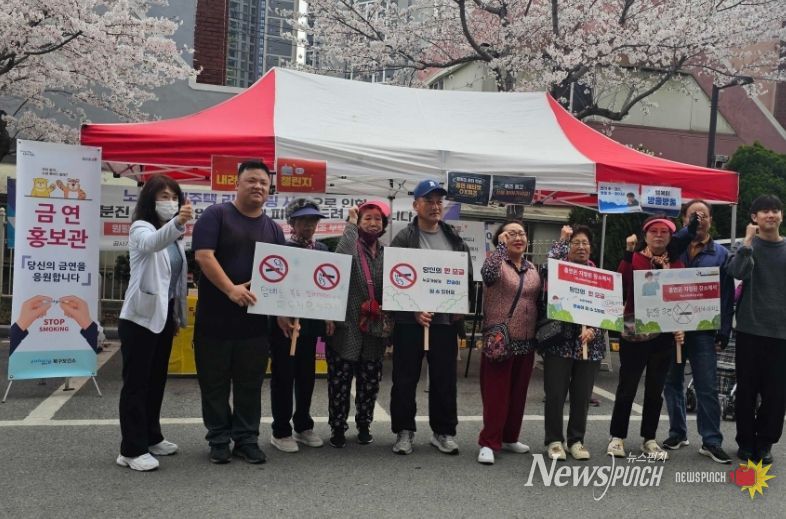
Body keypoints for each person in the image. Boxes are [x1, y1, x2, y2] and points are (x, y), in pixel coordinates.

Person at [192, 160, 286, 465]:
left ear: (269, 189)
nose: (258, 186)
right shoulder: (216, 215)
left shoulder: (272, 227)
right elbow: (204, 256)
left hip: (256, 326)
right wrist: (231, 289)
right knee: (214, 384)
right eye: (251, 180)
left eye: (263, 182)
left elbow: (282, 275)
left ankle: (246, 438)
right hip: (214, 321)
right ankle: (218, 438)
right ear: (236, 183)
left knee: (250, 384)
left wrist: (283, 313)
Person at [389, 179, 472, 455]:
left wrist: (461, 305)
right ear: (416, 205)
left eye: (439, 201)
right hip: (409, 322)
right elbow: (394, 280)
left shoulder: (453, 238)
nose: (436, 206)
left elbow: (465, 276)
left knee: (444, 378)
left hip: (445, 322)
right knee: (404, 377)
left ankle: (443, 431)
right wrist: (413, 308)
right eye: (429, 201)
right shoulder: (404, 237)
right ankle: (404, 431)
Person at [116, 175, 192, 471]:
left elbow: (173, 282)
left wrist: (175, 316)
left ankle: (151, 435)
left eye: (173, 195)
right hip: (139, 318)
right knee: (135, 384)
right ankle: (131, 450)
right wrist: (177, 224)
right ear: (150, 199)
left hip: (162, 316)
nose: (169, 201)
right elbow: (150, 245)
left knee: (156, 380)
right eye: (162, 195)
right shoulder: (141, 227)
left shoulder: (175, 235)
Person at [608, 215, 691, 460]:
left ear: (670, 236)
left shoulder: (677, 265)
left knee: (655, 389)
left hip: (664, 334)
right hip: (634, 330)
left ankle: (649, 438)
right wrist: (627, 253)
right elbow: (620, 283)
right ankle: (617, 436)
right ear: (646, 236)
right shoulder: (634, 258)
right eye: (653, 231)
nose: (658, 235)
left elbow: (680, 299)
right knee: (627, 387)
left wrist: (681, 325)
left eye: (664, 232)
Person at [662, 200, 734, 464]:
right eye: (693, 215)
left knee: (706, 386)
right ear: (684, 219)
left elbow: (727, 297)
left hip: (703, 331)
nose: (699, 219)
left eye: (703, 216)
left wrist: (723, 330)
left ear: (711, 221)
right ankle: (677, 432)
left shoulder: (721, 254)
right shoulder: (676, 248)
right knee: (672, 383)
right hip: (673, 328)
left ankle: (711, 440)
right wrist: (687, 231)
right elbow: (668, 248)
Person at [327, 200, 392, 448]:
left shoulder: (387, 253)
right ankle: (337, 427)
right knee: (340, 382)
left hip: (374, 329)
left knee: (370, 382)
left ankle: (364, 424)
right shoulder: (348, 244)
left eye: (378, 219)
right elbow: (339, 264)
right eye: (367, 218)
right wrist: (350, 226)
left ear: (384, 224)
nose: (373, 223)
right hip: (347, 326)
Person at [269, 198, 331, 453]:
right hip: (284, 323)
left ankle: (303, 425)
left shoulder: (323, 250)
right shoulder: (280, 247)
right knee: (283, 375)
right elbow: (271, 284)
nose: (309, 225)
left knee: (306, 375)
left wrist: (329, 314)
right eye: (304, 220)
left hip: (311, 321)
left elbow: (329, 287)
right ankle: (280, 430)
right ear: (292, 222)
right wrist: (278, 313)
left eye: (313, 219)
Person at [728, 194, 786, 465]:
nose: (770, 215)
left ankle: (765, 443)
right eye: (764, 211)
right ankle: (746, 442)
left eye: (775, 210)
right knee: (747, 391)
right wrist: (747, 243)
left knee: (776, 394)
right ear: (754, 218)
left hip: (781, 333)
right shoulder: (748, 247)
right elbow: (736, 272)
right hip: (750, 330)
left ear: (781, 216)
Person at [476, 220, 540, 465]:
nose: (518, 237)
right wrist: (500, 249)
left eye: (522, 233)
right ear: (500, 238)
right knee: (496, 394)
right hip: (500, 340)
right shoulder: (495, 263)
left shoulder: (532, 267)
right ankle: (488, 442)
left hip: (527, 340)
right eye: (511, 233)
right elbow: (488, 274)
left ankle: (510, 437)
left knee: (518, 393)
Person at [540, 225, 605, 461]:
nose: (581, 247)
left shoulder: (598, 275)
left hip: (589, 344)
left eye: (585, 243)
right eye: (576, 242)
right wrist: (561, 240)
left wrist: (594, 330)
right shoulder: (558, 269)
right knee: (555, 393)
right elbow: (547, 267)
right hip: (560, 341)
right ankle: (554, 440)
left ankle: (576, 439)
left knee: (582, 395)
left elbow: (606, 308)